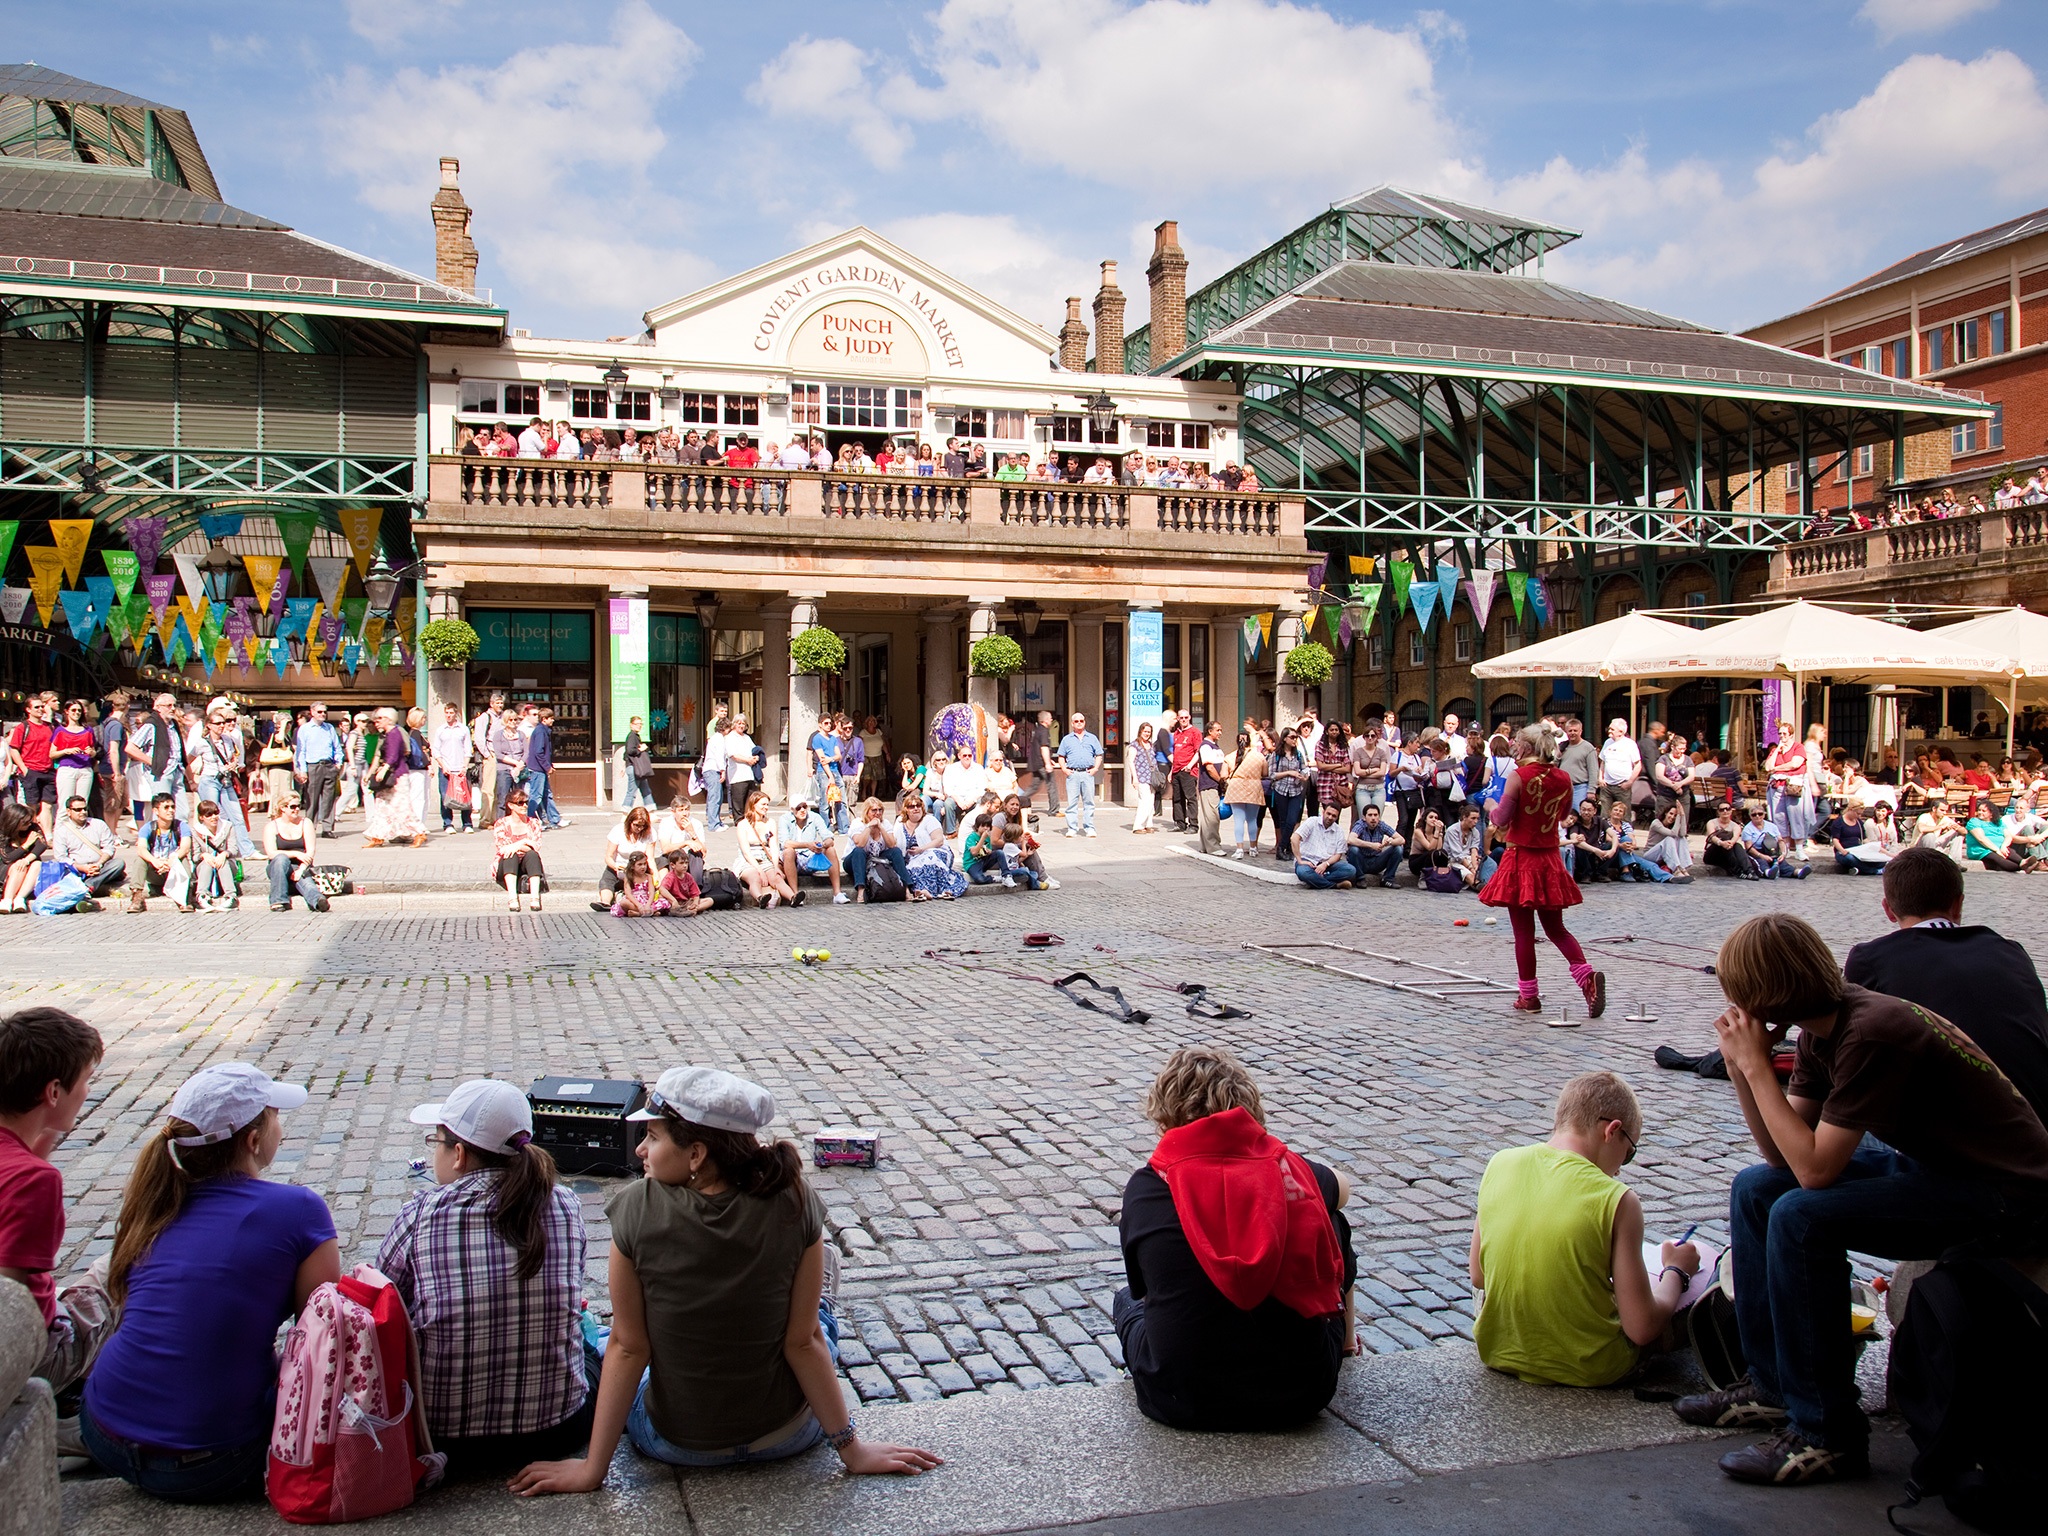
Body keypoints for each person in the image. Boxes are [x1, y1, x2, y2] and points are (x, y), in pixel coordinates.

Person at [1672, 914, 2048, 1486]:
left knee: (1801, 1216)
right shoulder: (1825, 1025)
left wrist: (1755, 1065)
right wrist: (1740, 1069)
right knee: (1756, 1188)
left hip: (2005, 1193)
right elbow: (1781, 1155)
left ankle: (1828, 1433)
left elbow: (1816, 1171)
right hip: (1944, 1169)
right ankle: (1774, 1386)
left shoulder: (1870, 1030)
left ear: (1762, 995)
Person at [507, 1067, 940, 1492]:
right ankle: (822, 1298)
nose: (640, 1150)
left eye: (652, 1137)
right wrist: (853, 1451)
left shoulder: (637, 1207)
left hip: (675, 1445)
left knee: (609, 1341)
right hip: (786, 1437)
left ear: (696, 1154)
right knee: (816, 1326)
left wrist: (591, 1470)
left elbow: (630, 1347)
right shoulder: (795, 1196)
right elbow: (801, 1343)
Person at [82, 1063, 337, 1503]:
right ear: (253, 1140)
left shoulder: (153, 1205)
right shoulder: (299, 1209)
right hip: (216, 1461)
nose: (281, 1126)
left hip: (104, 1435)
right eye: (275, 1115)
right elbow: (320, 1338)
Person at [1114, 1046, 1356, 1431]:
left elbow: (1144, 1288)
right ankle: (1346, 1341)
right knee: (1332, 1220)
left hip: (1179, 1396)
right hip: (1302, 1392)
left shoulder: (1147, 1188)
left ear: (1164, 1115)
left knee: (1127, 1301)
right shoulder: (1291, 1173)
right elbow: (1342, 1187)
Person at [379, 1080, 593, 1474]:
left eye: (436, 1141)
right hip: (558, 1431)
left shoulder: (420, 1216)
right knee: (589, 1332)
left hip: (445, 1439)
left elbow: (382, 1305)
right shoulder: (565, 1204)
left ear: (457, 1154)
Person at [1472, 1072, 1701, 1387]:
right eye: (1630, 1152)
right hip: (1592, 1366)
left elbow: (1479, 1275)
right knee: (1693, 1300)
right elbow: (1642, 1327)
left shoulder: (1499, 1163)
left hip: (1500, 1352)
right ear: (1613, 1131)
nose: (1621, 1167)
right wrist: (1677, 1271)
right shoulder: (1617, 1199)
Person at [1843, 847, 2048, 1125]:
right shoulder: (2010, 951)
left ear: (1889, 910)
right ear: (1958, 904)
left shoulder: (1871, 959)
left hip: (1960, 1138)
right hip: (2038, 1123)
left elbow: (1852, 1054)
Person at [0, 1007, 115, 1451]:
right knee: (123, 1266)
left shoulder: (22, 1164)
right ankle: (74, 1407)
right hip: (40, 1354)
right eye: (86, 1080)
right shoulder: (35, 1180)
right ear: (54, 1090)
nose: (87, 1091)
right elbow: (17, 1303)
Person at [1481, 724, 1606, 1017]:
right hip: (1549, 858)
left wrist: (1489, 805)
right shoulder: (1563, 778)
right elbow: (1564, 816)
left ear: (1526, 748)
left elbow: (1501, 818)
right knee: (1557, 928)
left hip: (1521, 857)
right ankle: (1587, 978)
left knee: (1524, 932)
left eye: (1518, 744)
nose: (1514, 747)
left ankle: (1529, 996)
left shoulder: (1519, 776)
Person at [122, 794, 190, 914]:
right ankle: (137, 897)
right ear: (155, 811)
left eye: (173, 807)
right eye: (166, 807)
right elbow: (141, 849)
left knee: (183, 859)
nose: (171, 810)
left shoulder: (181, 826)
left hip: (174, 869)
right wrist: (155, 861)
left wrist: (171, 861)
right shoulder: (148, 827)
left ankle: (186, 897)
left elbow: (185, 848)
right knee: (140, 860)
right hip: (156, 870)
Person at [735, 790, 800, 909]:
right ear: (753, 805)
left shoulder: (770, 822)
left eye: (767, 805)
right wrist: (760, 871)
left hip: (765, 858)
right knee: (755, 878)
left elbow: (774, 847)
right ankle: (760, 898)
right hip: (748, 860)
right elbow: (746, 852)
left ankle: (793, 897)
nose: (766, 807)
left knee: (777, 878)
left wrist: (775, 866)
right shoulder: (743, 825)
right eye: (763, 804)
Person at [263, 791, 326, 912]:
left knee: (307, 883)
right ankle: (278, 901)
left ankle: (318, 901)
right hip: (278, 868)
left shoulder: (305, 823)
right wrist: (296, 853)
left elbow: (310, 851)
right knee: (281, 858)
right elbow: (271, 853)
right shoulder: (272, 826)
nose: (296, 809)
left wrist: (301, 869)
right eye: (292, 807)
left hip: (300, 866)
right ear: (282, 808)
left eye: (299, 806)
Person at [53, 793, 125, 899]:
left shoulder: (98, 824)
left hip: (99, 867)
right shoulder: (61, 830)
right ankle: (91, 887)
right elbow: (61, 857)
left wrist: (99, 864)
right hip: (76, 869)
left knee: (118, 863)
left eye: (84, 809)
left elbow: (109, 848)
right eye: (78, 810)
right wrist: (82, 868)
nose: (82, 812)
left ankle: (87, 886)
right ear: (69, 812)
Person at [780, 798, 847, 903]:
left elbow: (829, 838)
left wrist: (822, 845)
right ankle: (795, 895)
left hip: (811, 858)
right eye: (798, 808)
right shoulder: (784, 819)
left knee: (831, 850)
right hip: (794, 859)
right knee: (788, 851)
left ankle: (837, 893)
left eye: (805, 807)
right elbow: (785, 843)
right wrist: (807, 845)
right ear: (792, 809)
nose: (802, 810)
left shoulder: (815, 817)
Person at [900, 796, 966, 900]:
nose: (916, 808)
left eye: (918, 806)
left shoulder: (930, 820)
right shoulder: (900, 824)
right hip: (913, 856)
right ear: (906, 810)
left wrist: (921, 849)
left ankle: (929, 890)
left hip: (936, 851)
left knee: (929, 858)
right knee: (911, 867)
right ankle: (922, 890)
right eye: (912, 806)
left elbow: (939, 841)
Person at [845, 798, 912, 900]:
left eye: (880, 810)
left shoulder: (885, 823)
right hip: (856, 860)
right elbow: (859, 843)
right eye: (874, 810)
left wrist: (881, 828)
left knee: (896, 852)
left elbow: (892, 844)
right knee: (858, 851)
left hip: (877, 859)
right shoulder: (857, 823)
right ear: (867, 812)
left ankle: (907, 888)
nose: (877, 813)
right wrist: (869, 827)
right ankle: (861, 890)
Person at [493, 786, 546, 912]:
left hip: (526, 863)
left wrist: (515, 846)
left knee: (532, 855)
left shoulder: (534, 823)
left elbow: (536, 846)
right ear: (511, 806)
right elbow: (502, 849)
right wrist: (524, 842)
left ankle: (535, 898)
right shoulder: (501, 823)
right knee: (510, 856)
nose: (524, 806)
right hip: (507, 864)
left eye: (526, 802)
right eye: (520, 803)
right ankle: (512, 898)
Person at [595, 806, 658, 910]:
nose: (639, 829)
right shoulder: (618, 830)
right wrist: (615, 866)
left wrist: (655, 874)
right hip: (620, 866)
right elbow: (608, 856)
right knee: (607, 878)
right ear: (629, 822)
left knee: (660, 864)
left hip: (640, 869)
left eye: (643, 826)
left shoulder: (650, 833)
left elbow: (650, 858)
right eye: (636, 825)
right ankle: (605, 902)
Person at [1057, 712, 1104, 838]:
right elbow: (1061, 756)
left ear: (1084, 722)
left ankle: (1089, 828)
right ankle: (1072, 828)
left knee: (1089, 802)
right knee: (1072, 803)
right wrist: (1064, 769)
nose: (1079, 723)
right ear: (1072, 723)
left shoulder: (1092, 738)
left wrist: (1095, 768)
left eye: (1081, 721)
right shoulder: (1067, 739)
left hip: (1087, 773)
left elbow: (1099, 754)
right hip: (1073, 774)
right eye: (1076, 721)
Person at [1291, 801, 1356, 890]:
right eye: (1328, 814)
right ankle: (1334, 885)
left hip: (1327, 864)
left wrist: (1325, 864)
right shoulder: (1312, 821)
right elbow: (1294, 838)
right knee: (1303, 873)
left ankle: (1317, 880)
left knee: (1350, 870)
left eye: (1334, 816)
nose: (1330, 817)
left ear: (1337, 817)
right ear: (1323, 812)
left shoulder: (1339, 831)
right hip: (1308, 861)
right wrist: (1299, 860)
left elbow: (1338, 854)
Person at [433, 701, 476, 833]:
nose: (449, 715)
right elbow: (436, 750)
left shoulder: (463, 729)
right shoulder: (440, 730)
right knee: (445, 796)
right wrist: (442, 766)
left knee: (464, 796)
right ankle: (447, 823)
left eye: (451, 713)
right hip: (446, 767)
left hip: (460, 767)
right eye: (447, 713)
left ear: (456, 713)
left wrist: (465, 765)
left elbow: (468, 749)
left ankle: (467, 823)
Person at [188, 801, 240, 911]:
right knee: (207, 862)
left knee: (223, 861)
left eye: (216, 813)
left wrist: (225, 854)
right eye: (209, 815)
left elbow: (234, 849)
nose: (214, 817)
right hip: (205, 868)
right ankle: (202, 896)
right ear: (201, 817)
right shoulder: (196, 831)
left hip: (227, 866)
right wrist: (204, 855)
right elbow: (194, 856)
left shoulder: (227, 826)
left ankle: (231, 896)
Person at [1222, 731, 1265, 858]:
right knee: (1252, 820)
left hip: (1236, 787)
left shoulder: (1230, 757)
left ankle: (1239, 849)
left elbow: (1223, 775)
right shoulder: (1259, 756)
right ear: (1249, 741)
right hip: (1254, 787)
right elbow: (1265, 772)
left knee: (1238, 820)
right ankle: (1253, 848)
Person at [1344, 802, 1404, 888]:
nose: (1373, 818)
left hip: (1376, 861)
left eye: (1376, 815)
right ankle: (1360, 878)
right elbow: (1351, 839)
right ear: (1364, 817)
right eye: (1370, 815)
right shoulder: (1360, 824)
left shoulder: (1381, 825)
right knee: (1353, 850)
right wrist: (1371, 845)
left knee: (1398, 849)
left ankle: (1388, 879)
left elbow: (1401, 839)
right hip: (1361, 861)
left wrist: (1389, 842)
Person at [1595, 717, 1641, 826]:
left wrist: (1629, 782)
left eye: (1612, 729)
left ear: (1621, 732)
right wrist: (1600, 778)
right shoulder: (1607, 743)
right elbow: (1603, 762)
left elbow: (1638, 765)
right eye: (1609, 729)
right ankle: (1604, 838)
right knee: (1605, 815)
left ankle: (1626, 839)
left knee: (1624, 815)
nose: (1609, 731)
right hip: (1606, 786)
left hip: (1622, 786)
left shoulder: (1630, 744)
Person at [721, 714, 761, 829]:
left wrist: (756, 757)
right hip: (737, 775)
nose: (741, 725)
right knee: (738, 800)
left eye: (743, 723)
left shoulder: (747, 737)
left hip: (749, 774)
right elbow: (733, 755)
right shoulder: (730, 737)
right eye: (739, 723)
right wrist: (747, 760)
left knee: (751, 799)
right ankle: (739, 822)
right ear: (734, 724)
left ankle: (749, 820)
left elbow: (754, 750)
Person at [698, 701, 730, 828]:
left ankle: (716, 821)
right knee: (715, 796)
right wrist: (723, 770)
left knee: (717, 796)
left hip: (711, 768)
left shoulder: (718, 738)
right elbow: (719, 756)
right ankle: (714, 824)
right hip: (713, 769)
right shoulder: (718, 738)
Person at [1167, 710, 1200, 831]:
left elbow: (1198, 752)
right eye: (1181, 718)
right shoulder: (1176, 733)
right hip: (1176, 770)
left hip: (1188, 771)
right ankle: (1180, 823)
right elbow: (1175, 753)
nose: (1184, 720)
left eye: (1186, 717)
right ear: (1178, 719)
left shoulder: (1195, 732)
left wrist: (1190, 766)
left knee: (1190, 798)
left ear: (1190, 717)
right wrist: (1171, 771)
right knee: (1177, 798)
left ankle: (1193, 825)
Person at [1558, 716, 1598, 812]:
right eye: (1570, 731)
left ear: (1580, 731)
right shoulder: (1562, 746)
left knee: (1578, 814)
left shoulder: (1588, 748)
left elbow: (1593, 770)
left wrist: (1591, 791)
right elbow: (1554, 766)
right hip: (1563, 787)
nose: (1572, 733)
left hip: (1580, 788)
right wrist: (1558, 754)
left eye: (1575, 730)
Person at [1129, 721, 1158, 834]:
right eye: (1145, 731)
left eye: (1149, 732)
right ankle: (1138, 825)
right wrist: (1134, 778)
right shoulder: (1134, 745)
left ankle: (1148, 824)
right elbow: (1131, 762)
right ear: (1140, 731)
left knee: (1151, 802)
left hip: (1152, 777)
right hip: (1141, 777)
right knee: (1144, 801)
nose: (1147, 734)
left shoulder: (1151, 745)